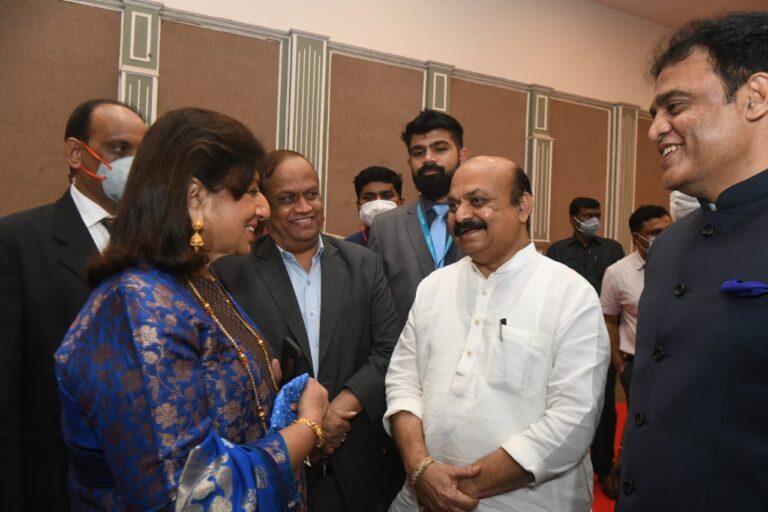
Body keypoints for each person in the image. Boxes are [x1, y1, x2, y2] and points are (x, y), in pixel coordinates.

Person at [54, 108, 330, 510]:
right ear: (196, 197)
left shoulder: (196, 282)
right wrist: (307, 428)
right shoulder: (137, 306)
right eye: (251, 191)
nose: (264, 209)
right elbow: (189, 493)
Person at [385, 156, 609, 511]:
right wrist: (420, 470)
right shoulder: (433, 287)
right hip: (420, 497)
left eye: (477, 201)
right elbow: (402, 382)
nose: (460, 216)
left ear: (523, 206)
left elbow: (574, 420)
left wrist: (459, 488)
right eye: (454, 204)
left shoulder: (571, 294)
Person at [618, 12, 768, 512]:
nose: (655, 128)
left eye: (675, 106)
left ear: (756, 97)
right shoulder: (668, 245)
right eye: (655, 112)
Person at [215, 150, 402, 512]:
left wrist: (338, 411)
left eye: (311, 194)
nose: (304, 207)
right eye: (287, 198)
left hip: (356, 469)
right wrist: (308, 425)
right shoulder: (233, 272)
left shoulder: (363, 264)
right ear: (265, 205)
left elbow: (388, 349)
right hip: (276, 469)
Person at [0, 98, 146, 511]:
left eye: (141, 154)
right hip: (53, 481)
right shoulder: (17, 241)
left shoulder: (159, 250)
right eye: (120, 149)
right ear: (77, 153)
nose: (133, 164)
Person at [546, 196, 624, 498]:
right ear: (573, 218)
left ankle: (603, 467)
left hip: (601, 333)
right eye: (587, 215)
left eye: (597, 214)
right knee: (564, 399)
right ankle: (563, 462)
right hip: (564, 334)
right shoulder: (557, 251)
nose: (594, 219)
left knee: (604, 404)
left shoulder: (613, 249)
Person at [368, 109, 468, 328]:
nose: (428, 159)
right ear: (409, 161)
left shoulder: (482, 221)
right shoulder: (385, 227)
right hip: (406, 356)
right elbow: (374, 309)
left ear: (462, 156)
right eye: (418, 152)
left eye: (440, 149)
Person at [601, 205, 671, 402]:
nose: (665, 238)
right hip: (637, 365)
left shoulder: (684, 265)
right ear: (636, 238)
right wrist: (619, 366)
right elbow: (609, 321)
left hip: (678, 362)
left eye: (669, 231)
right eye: (656, 233)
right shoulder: (616, 273)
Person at [345, 165, 404, 247]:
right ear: (358, 207)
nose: (378, 205)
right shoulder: (346, 249)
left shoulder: (416, 243)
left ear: (401, 203)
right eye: (368, 198)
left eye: (386, 196)